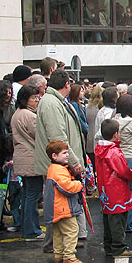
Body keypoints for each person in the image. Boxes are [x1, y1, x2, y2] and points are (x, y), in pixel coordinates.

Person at [34, 69, 87, 253]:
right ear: (67, 84)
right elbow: (57, 137)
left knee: (63, 205)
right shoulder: (51, 103)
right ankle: (55, 245)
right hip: (58, 164)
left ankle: (63, 242)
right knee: (57, 206)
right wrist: (73, 161)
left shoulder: (56, 101)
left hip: (61, 161)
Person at [95, 119, 132, 258]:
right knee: (118, 220)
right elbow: (122, 170)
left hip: (105, 191)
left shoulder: (99, 150)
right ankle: (118, 247)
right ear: (116, 134)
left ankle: (109, 245)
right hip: (117, 190)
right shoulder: (113, 152)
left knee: (108, 219)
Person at [10, 85, 44, 241]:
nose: (37, 100)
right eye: (33, 98)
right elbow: (39, 135)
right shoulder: (29, 116)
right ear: (25, 99)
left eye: (37, 97)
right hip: (30, 158)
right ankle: (32, 230)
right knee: (32, 195)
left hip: (22, 157)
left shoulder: (17, 113)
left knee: (27, 195)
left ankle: (26, 227)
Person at [43, 140, 84, 263]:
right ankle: (69, 256)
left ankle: (59, 254)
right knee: (71, 230)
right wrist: (78, 184)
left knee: (58, 233)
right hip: (63, 208)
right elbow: (67, 187)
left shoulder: (53, 169)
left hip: (56, 209)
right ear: (54, 156)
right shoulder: (58, 171)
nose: (67, 155)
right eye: (64, 153)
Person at [113, 94, 132, 234]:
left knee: (122, 192)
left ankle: (121, 221)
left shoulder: (113, 121)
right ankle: (129, 222)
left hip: (118, 158)